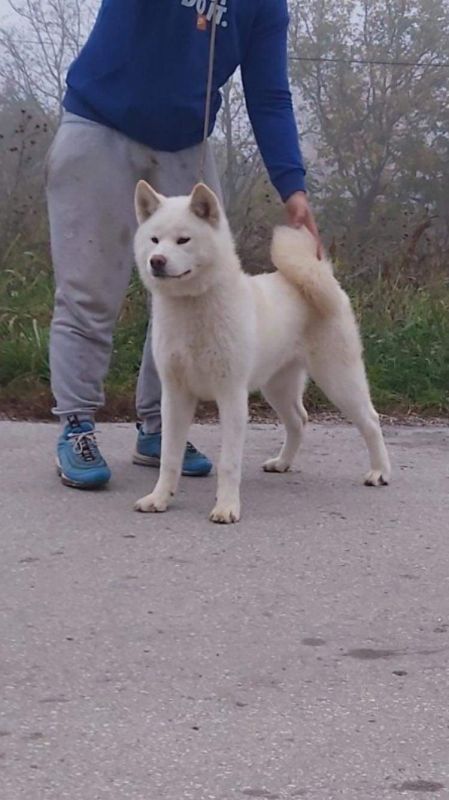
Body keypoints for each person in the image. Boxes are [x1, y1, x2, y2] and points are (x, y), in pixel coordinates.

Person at [47, 0, 321, 490]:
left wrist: (292, 187)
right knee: (88, 289)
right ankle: (77, 425)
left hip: (184, 142)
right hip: (98, 124)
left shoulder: (265, 7)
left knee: (198, 287)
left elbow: (270, 94)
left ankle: (158, 428)